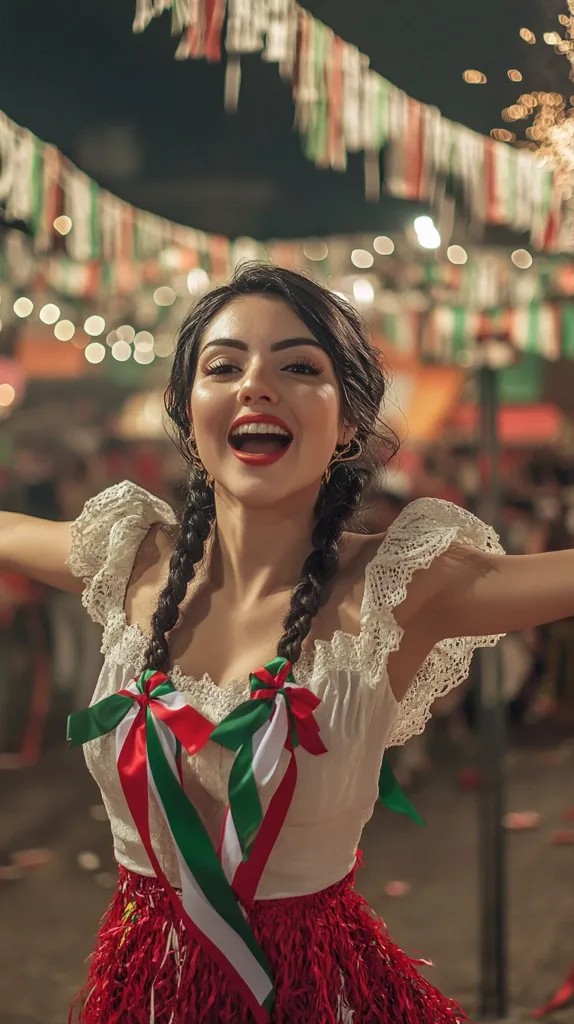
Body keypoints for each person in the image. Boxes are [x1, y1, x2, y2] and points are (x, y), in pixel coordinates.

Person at [2, 264, 574, 1023]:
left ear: (347, 422)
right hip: (144, 994)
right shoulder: (130, 559)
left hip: (320, 996)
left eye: (299, 366)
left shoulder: (402, 585)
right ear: (189, 411)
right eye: (224, 366)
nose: (255, 386)